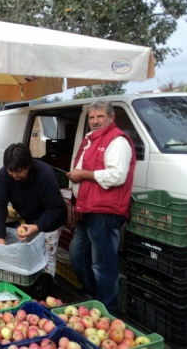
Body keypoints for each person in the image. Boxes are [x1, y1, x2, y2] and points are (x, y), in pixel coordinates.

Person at [67, 99, 135, 315]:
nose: (95, 121)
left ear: (111, 117)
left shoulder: (117, 140)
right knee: (77, 254)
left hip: (106, 211)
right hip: (87, 208)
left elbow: (117, 175)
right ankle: (93, 296)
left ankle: (108, 311)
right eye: (92, 117)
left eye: (100, 117)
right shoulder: (90, 139)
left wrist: (83, 175)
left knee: (103, 263)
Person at [0, 143, 67, 276]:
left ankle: (45, 289)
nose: (14, 175)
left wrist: (37, 226)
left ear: (28, 165)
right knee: (26, 258)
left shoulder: (45, 174)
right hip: (28, 219)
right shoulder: (4, 175)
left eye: (18, 171)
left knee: (45, 260)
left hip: (50, 220)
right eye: (11, 171)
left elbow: (56, 210)